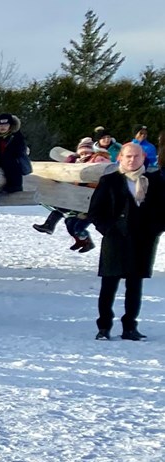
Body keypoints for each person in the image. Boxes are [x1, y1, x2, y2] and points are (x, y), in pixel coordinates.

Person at [86, 142, 164, 341]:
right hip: (115, 240)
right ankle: (104, 327)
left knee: (135, 286)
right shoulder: (109, 181)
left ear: (143, 158)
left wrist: (154, 230)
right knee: (109, 286)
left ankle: (130, 327)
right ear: (120, 157)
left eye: (136, 156)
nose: (132, 160)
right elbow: (95, 211)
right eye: (128, 156)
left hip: (142, 240)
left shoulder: (153, 181)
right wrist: (108, 229)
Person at [0, 113, 29, 193]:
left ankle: (15, 186)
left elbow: (16, 152)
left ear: (10, 126)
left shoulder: (17, 137)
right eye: (0, 125)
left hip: (14, 164)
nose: (2, 127)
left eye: (5, 125)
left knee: (10, 162)